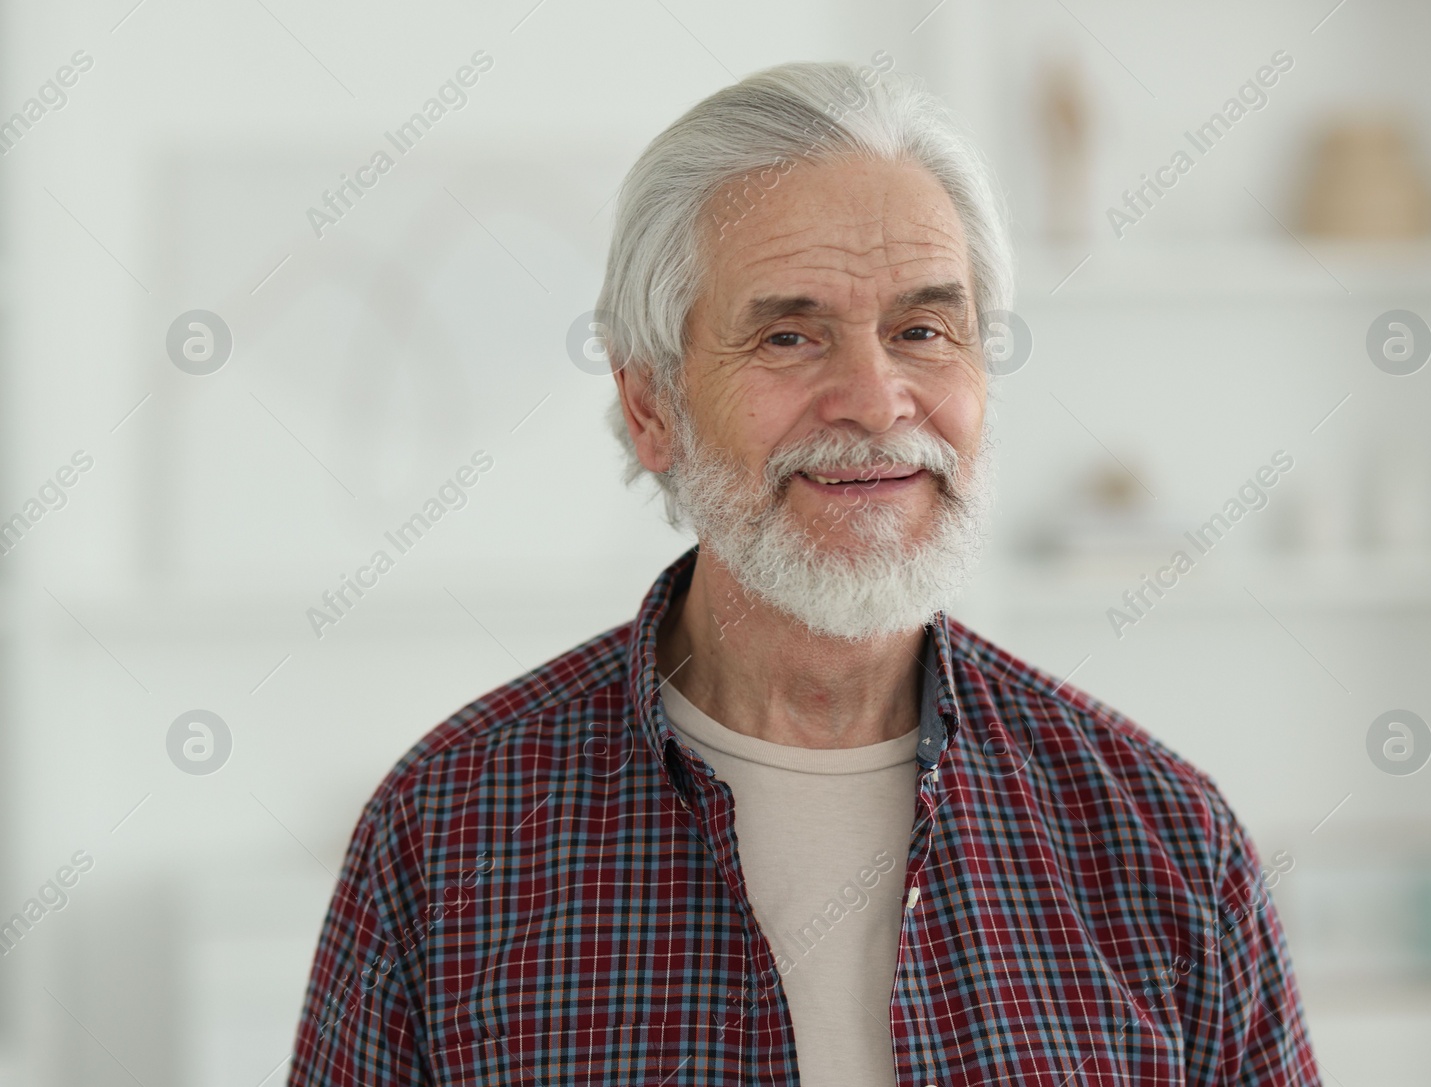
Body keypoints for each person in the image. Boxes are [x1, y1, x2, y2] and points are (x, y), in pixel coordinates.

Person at [287, 59, 1320, 1086]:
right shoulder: (447, 831)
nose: (875, 401)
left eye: (923, 330)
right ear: (652, 406)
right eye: (789, 334)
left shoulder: (1170, 844)